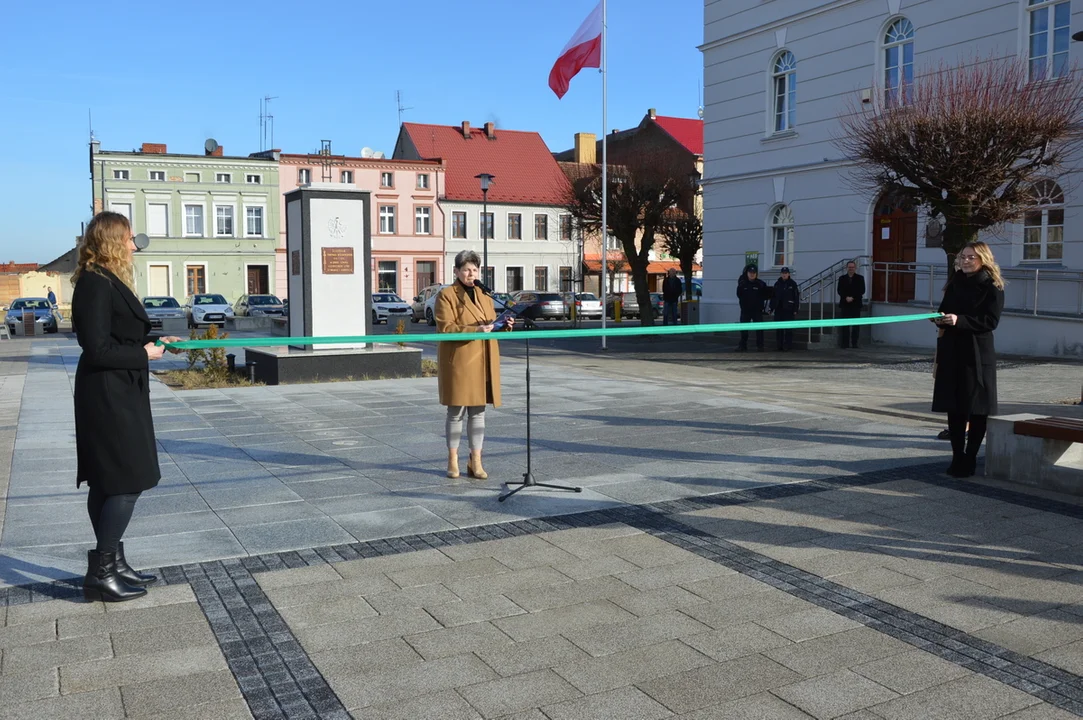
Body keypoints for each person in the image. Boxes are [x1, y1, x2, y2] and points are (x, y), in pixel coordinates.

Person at [72, 211, 182, 602]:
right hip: (107, 394)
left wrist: (154, 340)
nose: (134, 245)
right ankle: (101, 571)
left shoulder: (106, 280)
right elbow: (96, 348)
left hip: (119, 389)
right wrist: (144, 355)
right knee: (124, 480)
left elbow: (116, 333)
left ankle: (114, 563)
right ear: (112, 241)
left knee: (109, 479)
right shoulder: (95, 283)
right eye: (129, 238)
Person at [436, 250, 513, 480]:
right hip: (460, 361)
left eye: (475, 270)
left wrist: (504, 325)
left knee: (479, 413)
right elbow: (446, 328)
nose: (471, 274)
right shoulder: (446, 295)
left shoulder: (483, 294)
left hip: (484, 360)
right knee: (456, 412)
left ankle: (475, 460)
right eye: (467, 269)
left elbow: (489, 323)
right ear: (456, 271)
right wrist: (475, 330)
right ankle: (452, 460)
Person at [932, 241, 1005, 479]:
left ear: (982, 259)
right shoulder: (954, 282)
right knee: (955, 408)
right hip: (952, 351)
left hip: (977, 354)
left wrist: (959, 320)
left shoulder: (992, 285)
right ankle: (957, 456)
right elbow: (945, 310)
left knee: (976, 409)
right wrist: (939, 318)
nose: (965, 261)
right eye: (962, 256)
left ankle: (971, 457)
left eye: (970, 257)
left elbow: (990, 321)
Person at [736, 264, 768, 351]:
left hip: (757, 311)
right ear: (747, 273)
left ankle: (760, 346)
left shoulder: (761, 284)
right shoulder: (742, 284)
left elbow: (766, 295)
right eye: (750, 272)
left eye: (754, 273)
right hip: (745, 310)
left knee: (759, 329)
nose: (752, 274)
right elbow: (739, 295)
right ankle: (742, 345)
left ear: (756, 274)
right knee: (744, 329)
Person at [837, 260, 865, 349]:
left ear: (855, 268)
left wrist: (852, 297)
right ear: (846, 268)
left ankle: (854, 343)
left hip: (856, 304)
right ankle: (845, 344)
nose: (851, 269)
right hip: (845, 304)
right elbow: (839, 290)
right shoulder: (842, 278)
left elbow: (861, 290)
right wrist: (846, 297)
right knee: (845, 325)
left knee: (856, 326)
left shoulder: (860, 278)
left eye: (852, 267)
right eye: (849, 267)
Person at [771, 267, 800, 351]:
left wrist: (795, 309)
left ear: (788, 274)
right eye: (783, 273)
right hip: (778, 309)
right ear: (781, 274)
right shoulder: (777, 284)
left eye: (786, 273)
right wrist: (771, 308)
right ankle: (779, 345)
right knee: (779, 329)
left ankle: (788, 345)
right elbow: (773, 297)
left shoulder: (792, 284)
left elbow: (796, 297)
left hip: (789, 309)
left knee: (788, 329)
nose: (784, 274)